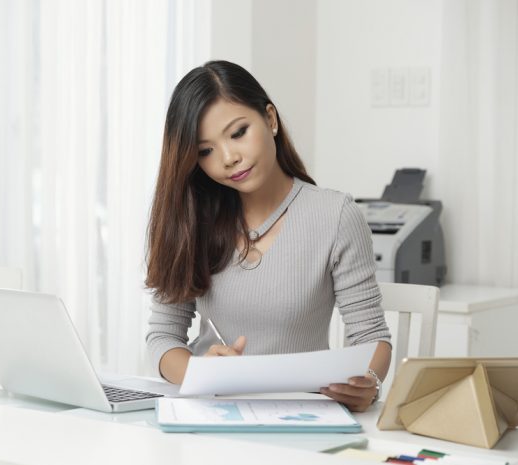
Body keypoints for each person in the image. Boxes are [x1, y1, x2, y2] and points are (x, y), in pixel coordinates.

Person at [145, 60, 391, 412]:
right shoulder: (192, 221)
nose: (229, 158)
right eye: (205, 151)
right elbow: (162, 338)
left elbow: (371, 337)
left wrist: (368, 382)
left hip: (303, 415)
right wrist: (201, 372)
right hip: (209, 414)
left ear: (270, 120)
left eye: (238, 132)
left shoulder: (335, 216)